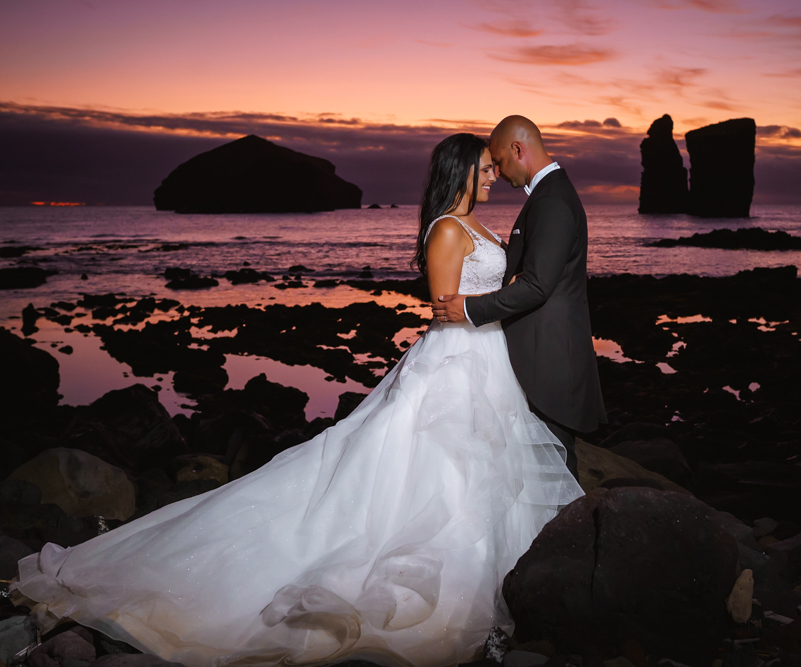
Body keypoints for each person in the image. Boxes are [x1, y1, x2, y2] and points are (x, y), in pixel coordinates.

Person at [12, 133, 584, 667]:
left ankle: (487, 579)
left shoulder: (479, 225)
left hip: (490, 364)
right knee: (436, 470)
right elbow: (443, 305)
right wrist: (484, 307)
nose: (491, 178)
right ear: (459, 171)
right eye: (483, 170)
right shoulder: (446, 230)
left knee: (482, 472)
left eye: (492, 168)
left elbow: (500, 291)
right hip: (454, 363)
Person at [433, 116, 607, 479]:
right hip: (531, 356)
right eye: (486, 167)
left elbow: (539, 285)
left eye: (497, 161)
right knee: (538, 468)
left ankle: (562, 535)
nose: (496, 173)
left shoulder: (552, 201)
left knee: (554, 469)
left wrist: (467, 306)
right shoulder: (550, 196)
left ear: (518, 150)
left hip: (550, 359)